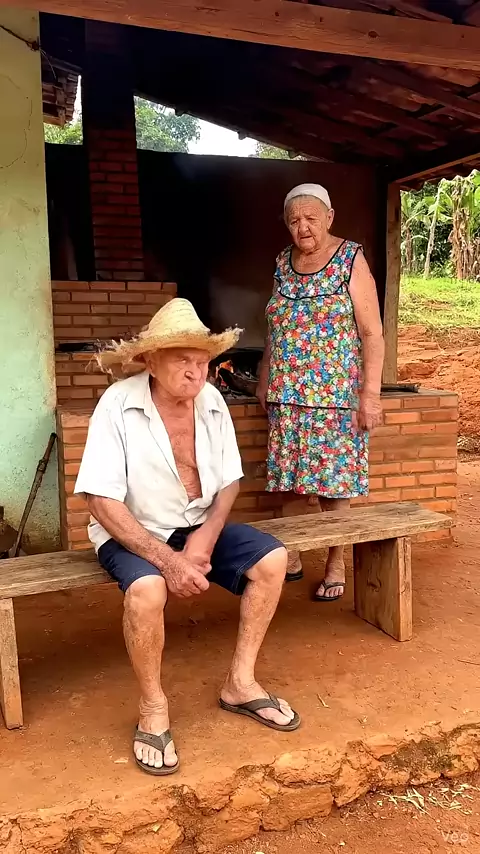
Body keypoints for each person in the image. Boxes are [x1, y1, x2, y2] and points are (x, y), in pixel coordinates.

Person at [74, 298, 300, 777]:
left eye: (203, 361)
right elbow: (100, 500)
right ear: (150, 360)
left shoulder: (211, 401)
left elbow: (229, 482)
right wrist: (169, 560)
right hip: (133, 530)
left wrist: (204, 539)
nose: (196, 373)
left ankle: (240, 683)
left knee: (273, 559)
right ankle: (153, 707)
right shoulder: (118, 405)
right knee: (147, 589)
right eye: (183, 360)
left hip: (196, 524)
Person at [257, 183, 384, 601]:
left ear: (329, 217)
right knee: (290, 481)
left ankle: (335, 560)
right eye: (294, 220)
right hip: (287, 394)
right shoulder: (282, 262)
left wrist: (370, 396)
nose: (303, 227)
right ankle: (292, 552)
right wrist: (264, 376)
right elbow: (275, 326)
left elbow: (372, 333)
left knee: (333, 485)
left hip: (335, 397)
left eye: (311, 218)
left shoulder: (350, 258)